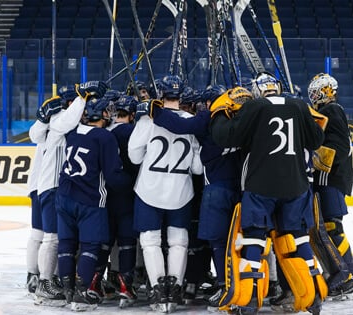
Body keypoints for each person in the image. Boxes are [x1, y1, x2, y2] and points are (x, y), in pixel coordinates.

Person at [209, 72, 327, 315]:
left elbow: (227, 136)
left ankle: (250, 300)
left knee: (254, 240)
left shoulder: (254, 106)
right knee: (298, 238)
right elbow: (317, 139)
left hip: (261, 185)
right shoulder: (298, 105)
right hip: (295, 185)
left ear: (257, 89)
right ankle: (313, 296)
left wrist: (219, 112)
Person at [149, 85, 248, 309]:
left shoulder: (209, 117)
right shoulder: (242, 119)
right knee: (245, 239)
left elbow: (180, 125)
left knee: (217, 240)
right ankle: (249, 284)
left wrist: (156, 111)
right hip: (244, 189)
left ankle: (225, 285)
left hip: (216, 189)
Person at [128, 74, 203, 313]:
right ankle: (175, 288)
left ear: (159, 94)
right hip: (181, 190)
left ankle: (158, 289)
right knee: (179, 241)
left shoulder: (147, 121)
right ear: (181, 96)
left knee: (150, 241)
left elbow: (134, 156)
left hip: (149, 189)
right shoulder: (192, 121)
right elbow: (197, 167)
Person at [29, 81, 107, 307]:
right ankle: (44, 283)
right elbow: (63, 123)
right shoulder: (62, 119)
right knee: (52, 238)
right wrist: (83, 97)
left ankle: (49, 280)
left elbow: (36, 133)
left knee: (59, 239)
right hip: (53, 187)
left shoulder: (61, 119)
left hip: (56, 187)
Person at [56, 96, 132, 311]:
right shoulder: (103, 137)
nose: (111, 115)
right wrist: (133, 182)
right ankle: (80, 294)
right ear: (102, 114)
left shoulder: (72, 132)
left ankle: (68, 290)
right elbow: (113, 176)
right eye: (108, 111)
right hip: (89, 199)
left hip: (64, 196)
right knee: (91, 246)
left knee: (66, 245)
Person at [307, 73, 353, 300]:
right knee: (330, 227)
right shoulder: (331, 110)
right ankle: (349, 273)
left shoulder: (332, 110)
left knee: (332, 227)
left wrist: (318, 157)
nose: (314, 96)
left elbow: (339, 146)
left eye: (317, 91)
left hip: (331, 178)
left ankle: (347, 274)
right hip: (333, 177)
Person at [104, 95, 141, 308]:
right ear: (133, 114)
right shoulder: (134, 132)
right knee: (127, 241)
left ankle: (96, 282)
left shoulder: (104, 132)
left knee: (105, 241)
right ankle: (126, 286)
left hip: (107, 194)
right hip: (129, 193)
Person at [25, 95, 63, 297]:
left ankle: (44, 276)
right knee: (41, 235)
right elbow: (34, 133)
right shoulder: (48, 128)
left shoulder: (57, 125)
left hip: (45, 185)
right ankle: (34, 275)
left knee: (47, 236)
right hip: (41, 185)